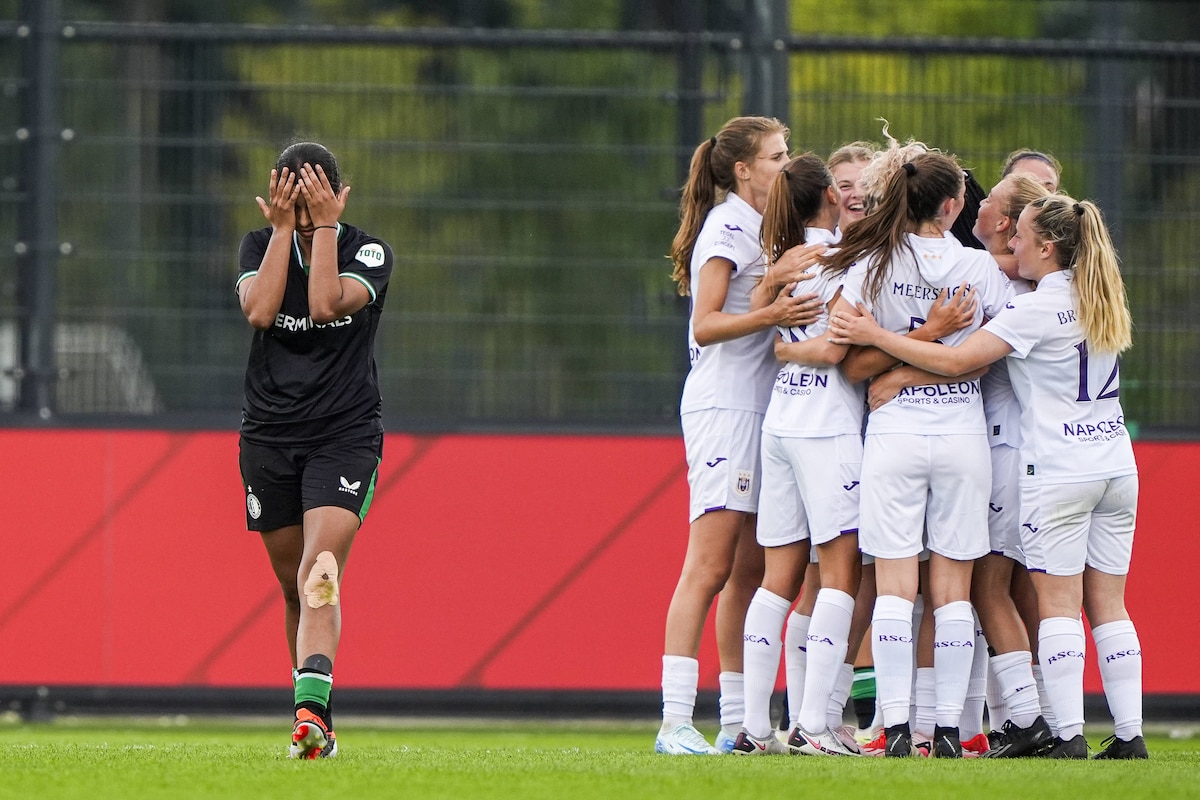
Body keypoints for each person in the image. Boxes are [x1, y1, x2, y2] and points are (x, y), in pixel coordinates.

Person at [828, 193, 1145, 760]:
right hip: (1117, 463)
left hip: (1060, 468)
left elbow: (955, 361)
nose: (1008, 243)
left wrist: (878, 339)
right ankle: (1130, 736)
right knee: (1110, 605)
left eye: (1019, 234)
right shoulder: (1102, 295)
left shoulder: (1035, 309)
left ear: (1046, 247)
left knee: (1057, 604)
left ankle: (1064, 735)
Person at [821, 151, 1013, 759]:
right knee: (953, 590)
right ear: (954, 206)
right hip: (963, 435)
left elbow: (853, 365)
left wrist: (901, 367)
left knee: (896, 588)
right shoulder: (980, 270)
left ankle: (898, 728)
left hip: (893, 436)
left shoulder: (871, 264)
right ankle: (950, 730)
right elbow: (990, 355)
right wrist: (933, 344)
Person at [657, 117, 824, 755]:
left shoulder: (765, 227)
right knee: (710, 562)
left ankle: (734, 724)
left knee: (749, 569)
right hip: (725, 407)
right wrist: (774, 310)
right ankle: (675, 721)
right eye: (777, 156)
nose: (787, 164)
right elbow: (704, 324)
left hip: (763, 409)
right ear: (743, 170)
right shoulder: (727, 224)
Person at [236, 142, 393, 759]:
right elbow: (261, 310)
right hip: (269, 435)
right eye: (293, 199)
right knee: (292, 587)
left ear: (338, 192)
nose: (304, 209)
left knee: (319, 570)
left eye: (316, 197)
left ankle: (313, 718)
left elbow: (327, 301)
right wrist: (283, 232)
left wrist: (325, 227)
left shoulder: (366, 249)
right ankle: (310, 712)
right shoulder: (258, 245)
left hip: (344, 434)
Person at [731, 152, 863, 756]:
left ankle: (755, 727)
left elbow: (767, 320)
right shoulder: (843, 259)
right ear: (832, 196)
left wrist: (784, 351)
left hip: (781, 421)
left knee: (778, 580)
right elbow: (838, 350)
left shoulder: (781, 259)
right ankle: (813, 723)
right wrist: (795, 351)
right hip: (826, 425)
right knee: (839, 574)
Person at [969, 173, 1056, 757]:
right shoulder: (1041, 280)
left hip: (1008, 449)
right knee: (1024, 590)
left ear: (1004, 222)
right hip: (1039, 452)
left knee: (988, 586)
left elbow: (961, 362)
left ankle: (1029, 719)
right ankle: (1039, 716)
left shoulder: (1007, 281)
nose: (977, 206)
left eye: (990, 200)